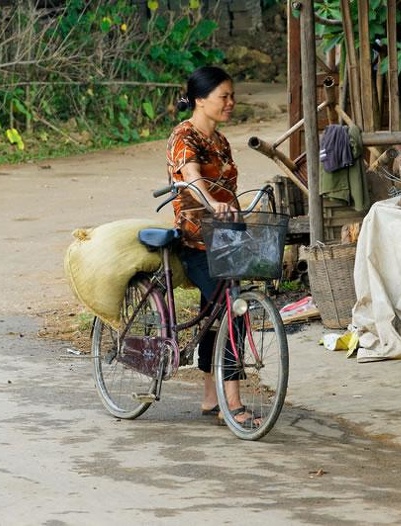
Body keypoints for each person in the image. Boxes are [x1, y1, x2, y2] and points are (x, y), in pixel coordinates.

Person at [166, 65, 259, 428]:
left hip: (226, 236)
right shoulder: (183, 136)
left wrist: (236, 208)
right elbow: (191, 179)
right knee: (232, 310)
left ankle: (210, 397)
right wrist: (211, 202)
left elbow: (229, 188)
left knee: (215, 314)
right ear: (201, 100)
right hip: (196, 239)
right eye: (224, 97)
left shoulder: (220, 140)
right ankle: (231, 403)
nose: (231, 102)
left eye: (232, 96)